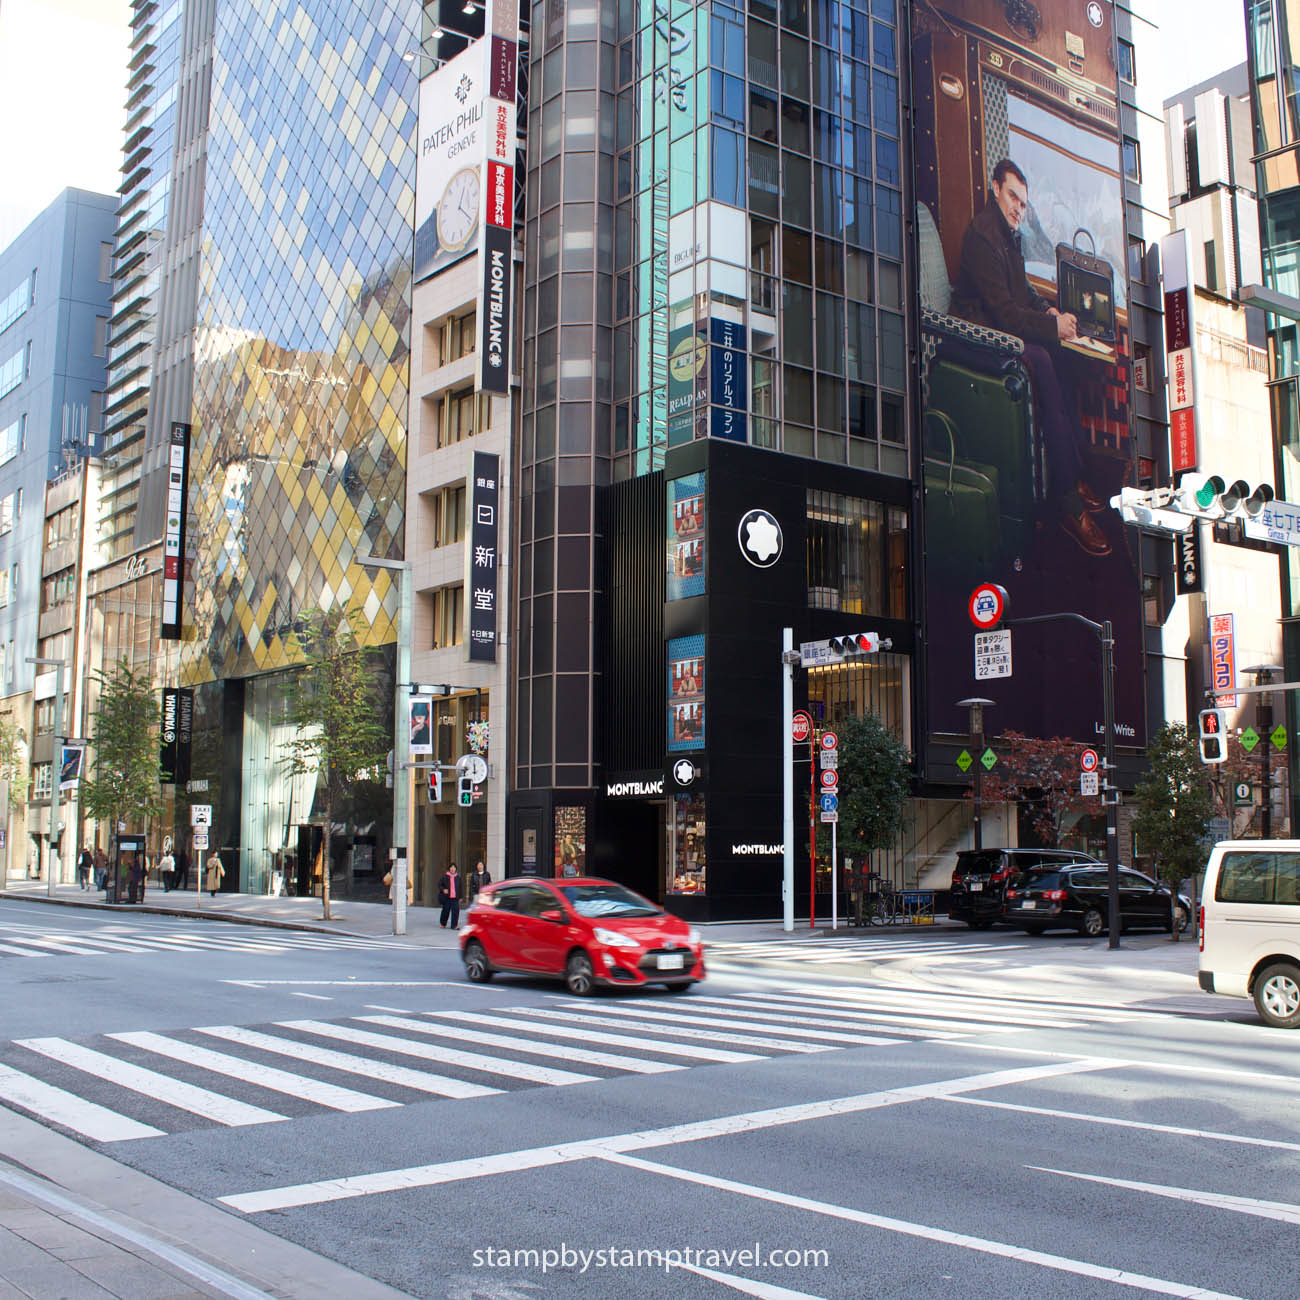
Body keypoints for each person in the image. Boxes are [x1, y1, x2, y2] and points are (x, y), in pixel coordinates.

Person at [949, 158, 1109, 557]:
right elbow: (1004, 314)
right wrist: (1050, 328)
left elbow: (1022, 293)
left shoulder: (1009, 234)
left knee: (1064, 359)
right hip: (975, 338)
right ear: (995, 189)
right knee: (1042, 358)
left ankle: (1073, 476)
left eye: (1023, 202)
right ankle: (1069, 503)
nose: (1018, 207)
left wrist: (1049, 312)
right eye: (1012, 197)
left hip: (998, 327)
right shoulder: (983, 237)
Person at [438, 861, 461, 929]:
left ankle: (454, 925)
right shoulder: (445, 876)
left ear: (456, 869)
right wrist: (443, 889)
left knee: (456, 911)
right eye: (451, 867)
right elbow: (439, 885)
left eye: (454, 867)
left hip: (455, 898)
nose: (452, 869)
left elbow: (460, 887)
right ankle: (443, 923)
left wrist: (460, 896)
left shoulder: (458, 877)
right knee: (445, 911)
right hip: (447, 897)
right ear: (449, 868)